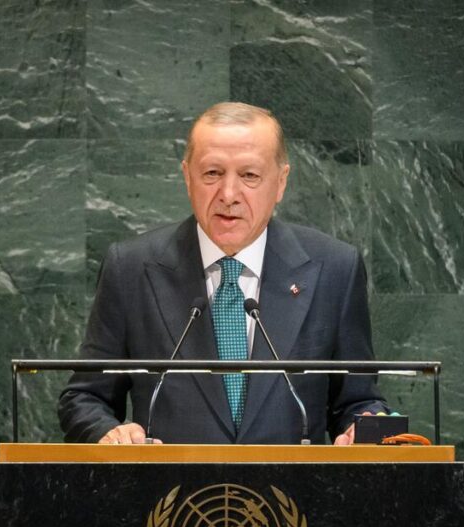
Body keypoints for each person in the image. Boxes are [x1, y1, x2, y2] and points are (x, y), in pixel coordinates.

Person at [58, 102, 387, 445]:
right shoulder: (131, 268)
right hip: (169, 495)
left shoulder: (334, 268)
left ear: (281, 183)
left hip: (293, 495)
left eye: (249, 176)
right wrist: (108, 432)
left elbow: (359, 400)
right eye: (212, 173)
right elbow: (84, 399)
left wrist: (364, 430)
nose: (228, 195)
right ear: (187, 177)